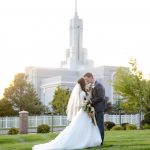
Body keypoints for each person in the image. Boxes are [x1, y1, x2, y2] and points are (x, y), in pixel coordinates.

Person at [32, 78, 102, 150]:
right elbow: (82, 104)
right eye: (85, 81)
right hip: (84, 112)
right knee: (81, 127)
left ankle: (88, 141)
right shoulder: (82, 93)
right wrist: (88, 107)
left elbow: (85, 102)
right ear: (82, 83)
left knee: (84, 127)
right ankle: (85, 141)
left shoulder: (83, 92)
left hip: (84, 112)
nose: (86, 82)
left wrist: (88, 104)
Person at [84, 73, 105, 145]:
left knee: (100, 125)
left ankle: (101, 142)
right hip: (95, 109)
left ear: (91, 77)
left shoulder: (99, 85)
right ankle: (97, 141)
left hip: (99, 109)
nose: (86, 81)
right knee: (96, 126)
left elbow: (101, 97)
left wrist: (91, 102)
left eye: (86, 79)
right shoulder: (93, 86)